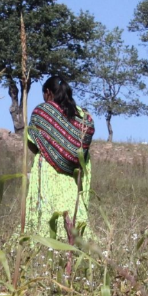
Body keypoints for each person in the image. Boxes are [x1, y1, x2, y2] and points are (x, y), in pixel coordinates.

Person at [24, 75, 95, 242]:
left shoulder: (42, 111)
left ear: (48, 92)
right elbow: (83, 146)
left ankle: (42, 245)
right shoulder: (83, 116)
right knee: (72, 212)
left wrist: (50, 152)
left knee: (46, 210)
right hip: (72, 176)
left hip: (47, 171)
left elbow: (33, 143)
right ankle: (77, 246)